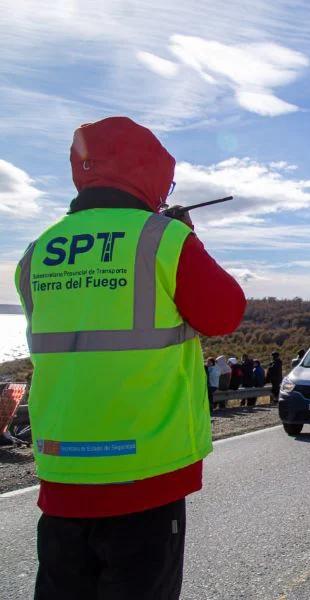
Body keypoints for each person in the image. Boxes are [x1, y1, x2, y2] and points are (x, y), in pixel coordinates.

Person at [15, 116, 245, 599]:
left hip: (61, 472)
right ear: (150, 174)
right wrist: (185, 235)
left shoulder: (36, 252)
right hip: (146, 475)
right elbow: (226, 312)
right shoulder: (163, 239)